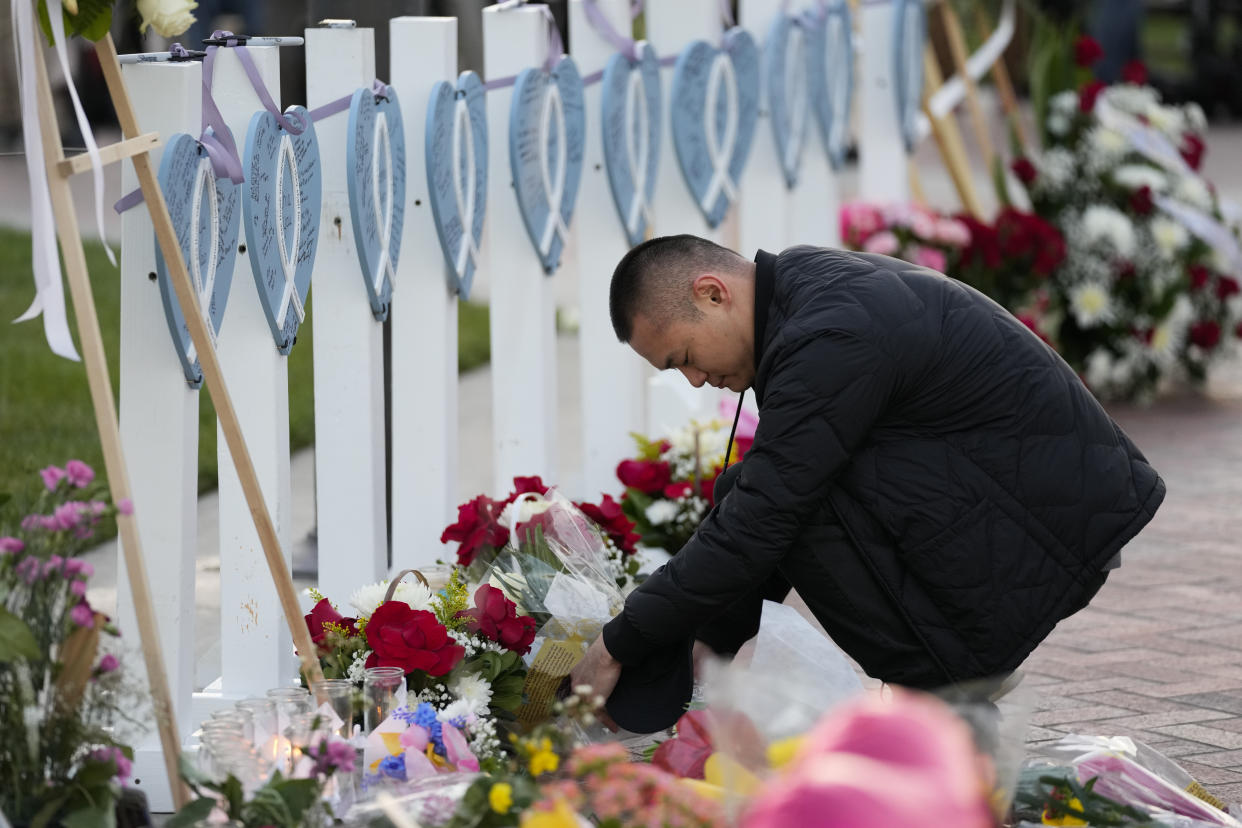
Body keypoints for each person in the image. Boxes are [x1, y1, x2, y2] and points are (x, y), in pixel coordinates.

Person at [570, 236, 1165, 730]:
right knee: (759, 490)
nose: (697, 380)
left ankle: (938, 700)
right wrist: (706, 640)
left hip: (1044, 525)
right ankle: (930, 693)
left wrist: (617, 643)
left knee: (792, 515)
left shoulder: (829, 334)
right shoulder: (802, 295)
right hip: (1029, 502)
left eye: (683, 358)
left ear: (713, 293)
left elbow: (763, 518)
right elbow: (759, 498)